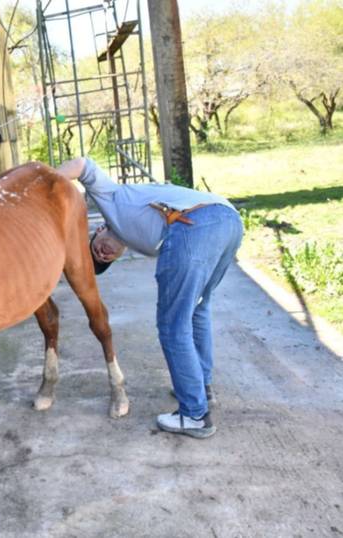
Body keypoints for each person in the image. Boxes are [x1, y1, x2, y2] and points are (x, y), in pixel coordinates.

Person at [58, 157, 243, 439]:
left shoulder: (111, 200)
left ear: (98, 231)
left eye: (97, 251)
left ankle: (194, 414)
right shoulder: (141, 240)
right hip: (228, 221)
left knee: (172, 326)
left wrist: (44, 181)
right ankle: (201, 387)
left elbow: (83, 166)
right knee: (198, 310)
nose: (104, 254)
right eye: (106, 260)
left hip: (196, 223)